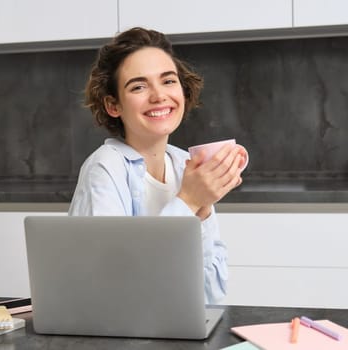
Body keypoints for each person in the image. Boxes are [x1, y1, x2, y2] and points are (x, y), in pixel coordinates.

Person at [69, 27, 244, 304]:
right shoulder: (104, 169)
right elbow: (112, 286)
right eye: (139, 86)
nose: (159, 95)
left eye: (168, 81)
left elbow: (212, 297)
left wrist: (204, 208)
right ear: (114, 105)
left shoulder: (182, 165)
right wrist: (189, 200)